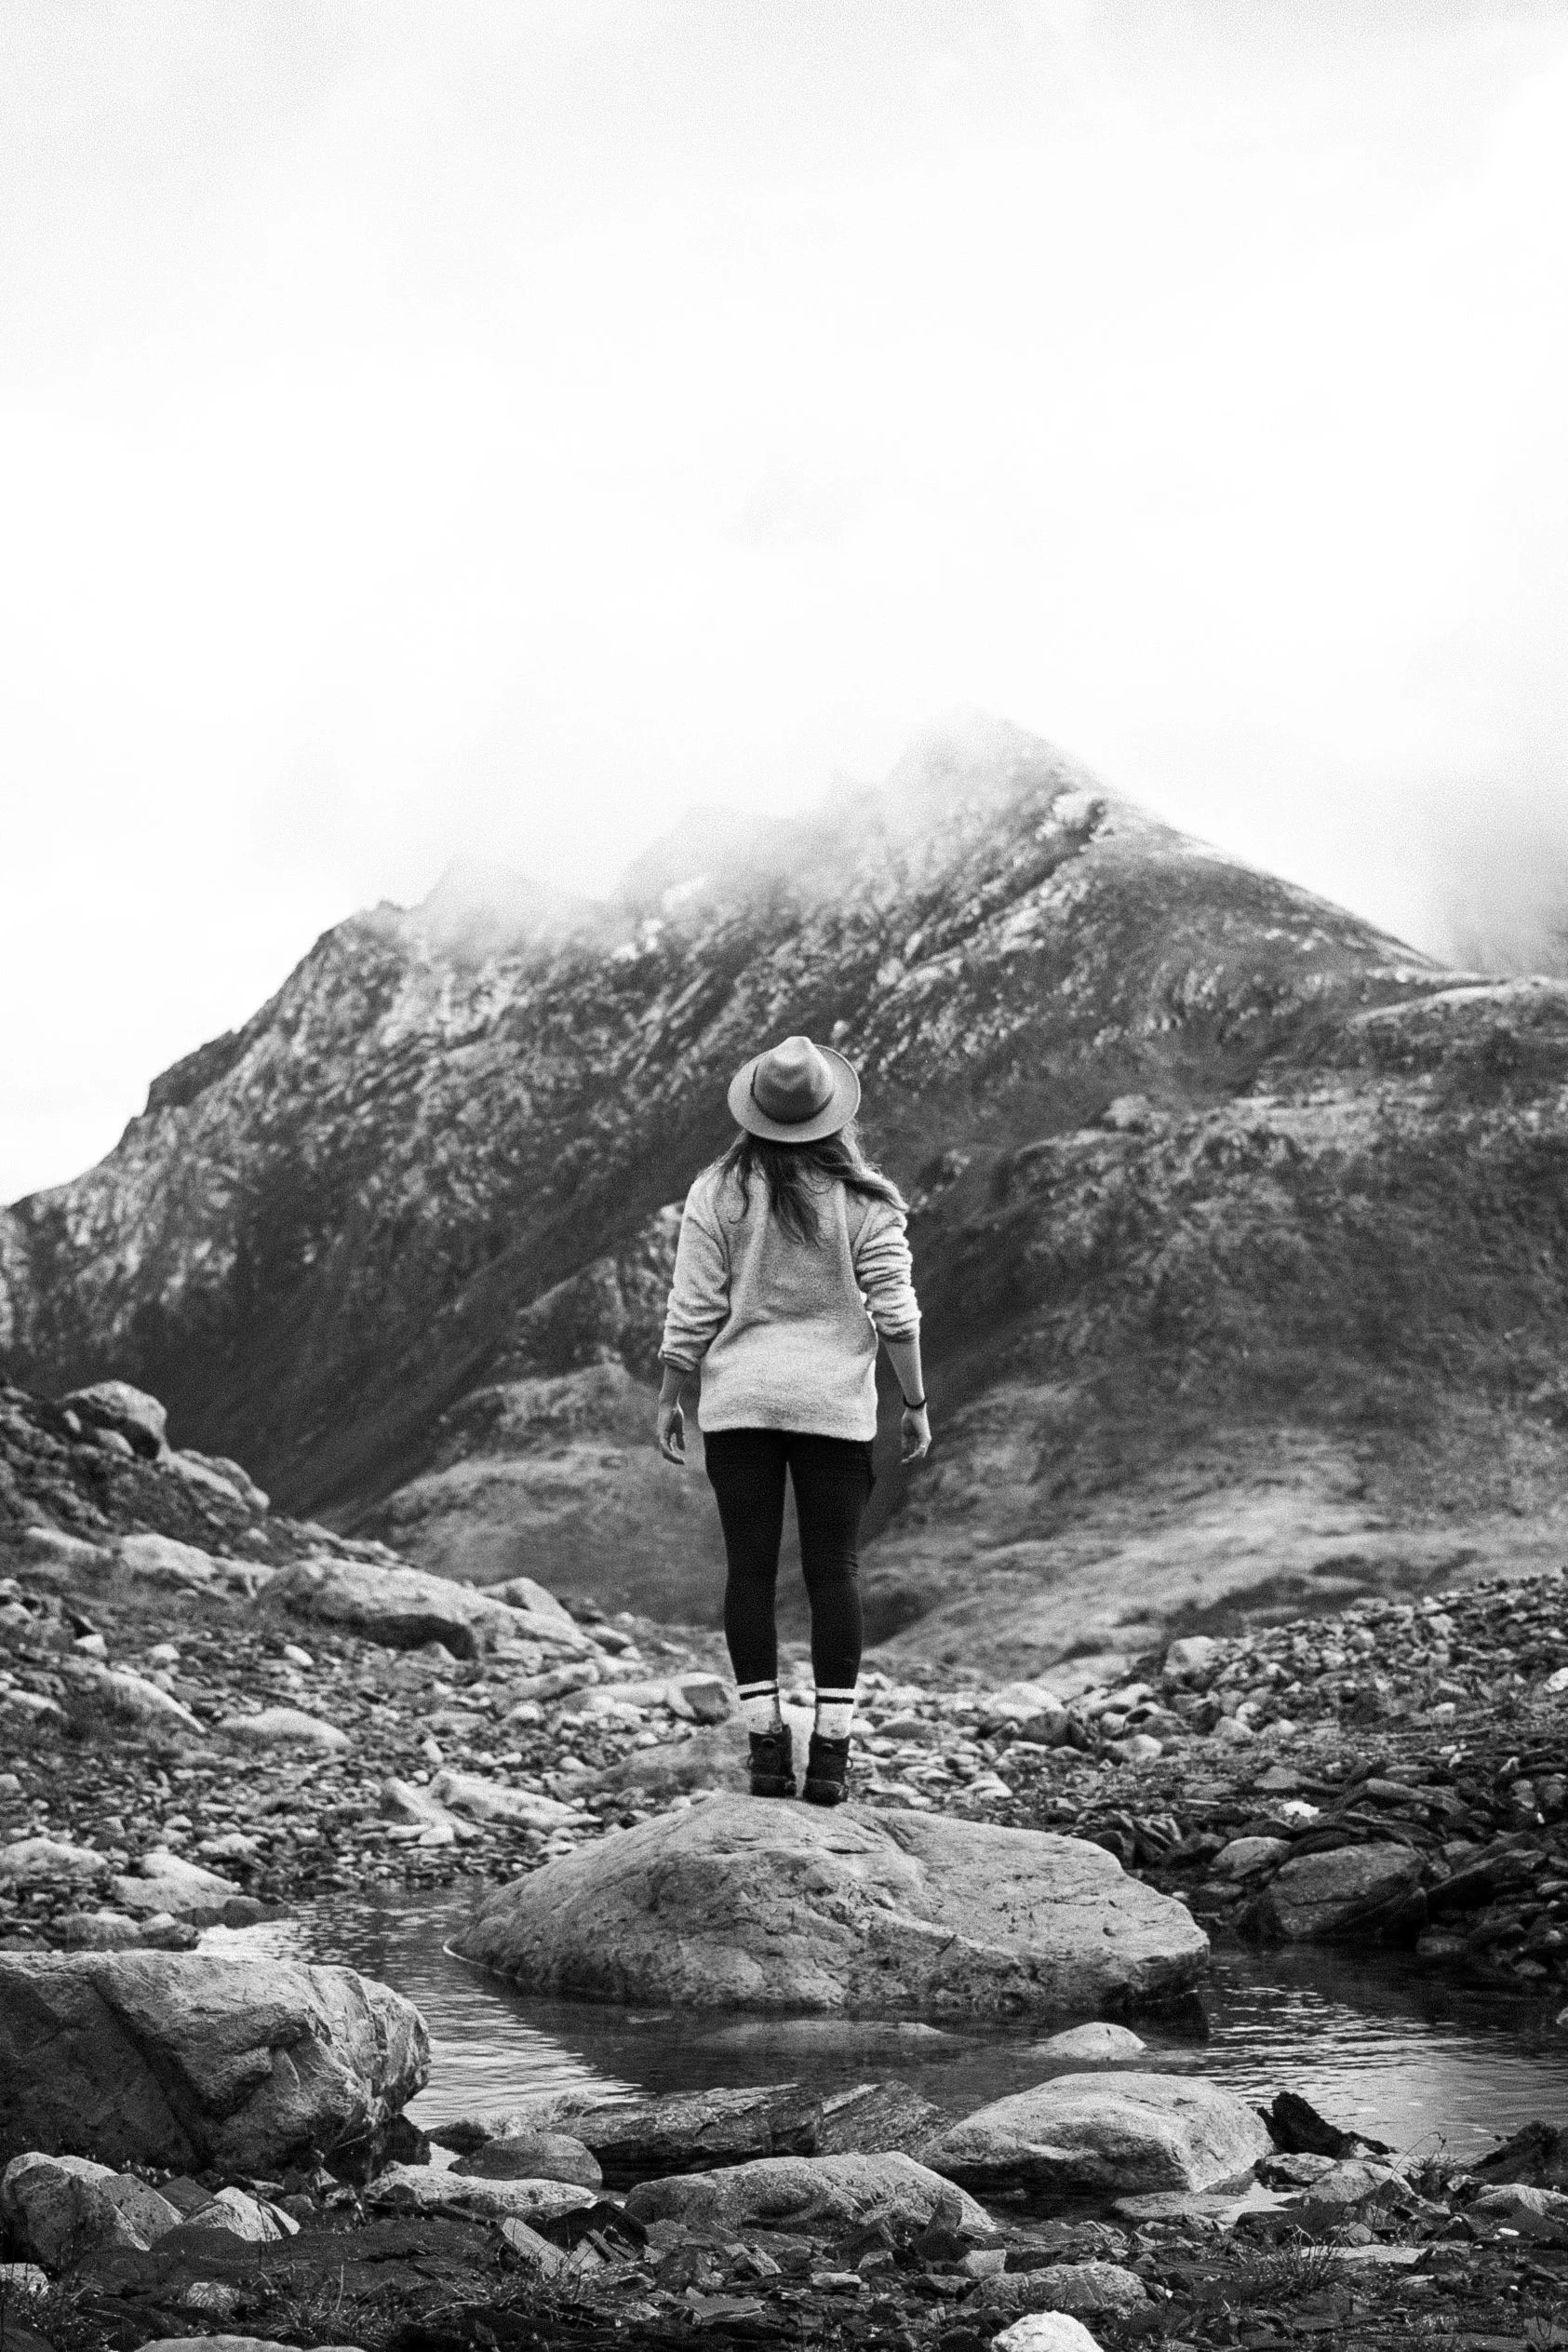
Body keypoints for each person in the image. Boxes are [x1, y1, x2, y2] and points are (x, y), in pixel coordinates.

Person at [656, 1033, 930, 1805]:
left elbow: (695, 1304)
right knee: (832, 1572)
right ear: (832, 1113)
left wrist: (671, 1392)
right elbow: (897, 1315)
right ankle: (833, 1762)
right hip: (833, 1408)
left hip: (740, 1403)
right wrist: (912, 1402)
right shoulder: (867, 1200)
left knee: (748, 1572)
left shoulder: (718, 1189)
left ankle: (767, 1754)